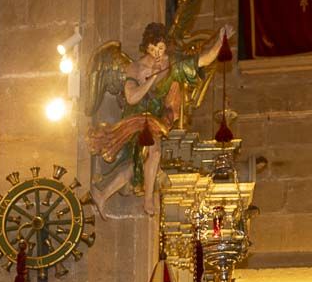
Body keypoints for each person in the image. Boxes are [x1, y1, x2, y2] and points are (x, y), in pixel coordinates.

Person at [87, 22, 233, 217]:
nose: (157, 53)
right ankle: (148, 200)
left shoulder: (173, 64)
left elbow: (203, 60)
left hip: (155, 121)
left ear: (166, 46)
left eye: (161, 48)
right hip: (135, 120)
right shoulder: (135, 67)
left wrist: (220, 41)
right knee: (154, 153)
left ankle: (102, 194)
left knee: (136, 165)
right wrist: (151, 81)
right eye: (153, 48)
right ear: (146, 47)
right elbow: (132, 98)